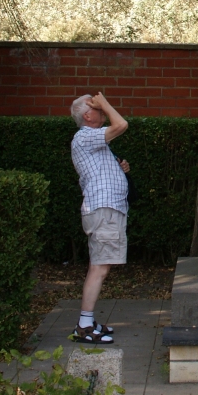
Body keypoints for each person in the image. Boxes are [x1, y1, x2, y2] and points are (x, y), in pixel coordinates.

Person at [69, 92, 130, 344]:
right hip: (103, 210)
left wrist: (121, 168)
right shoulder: (84, 136)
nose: (102, 112)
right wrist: (105, 101)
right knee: (99, 267)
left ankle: (88, 321)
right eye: (96, 108)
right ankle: (84, 325)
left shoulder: (95, 141)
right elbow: (122, 125)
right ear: (87, 115)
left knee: (100, 265)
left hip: (109, 209)